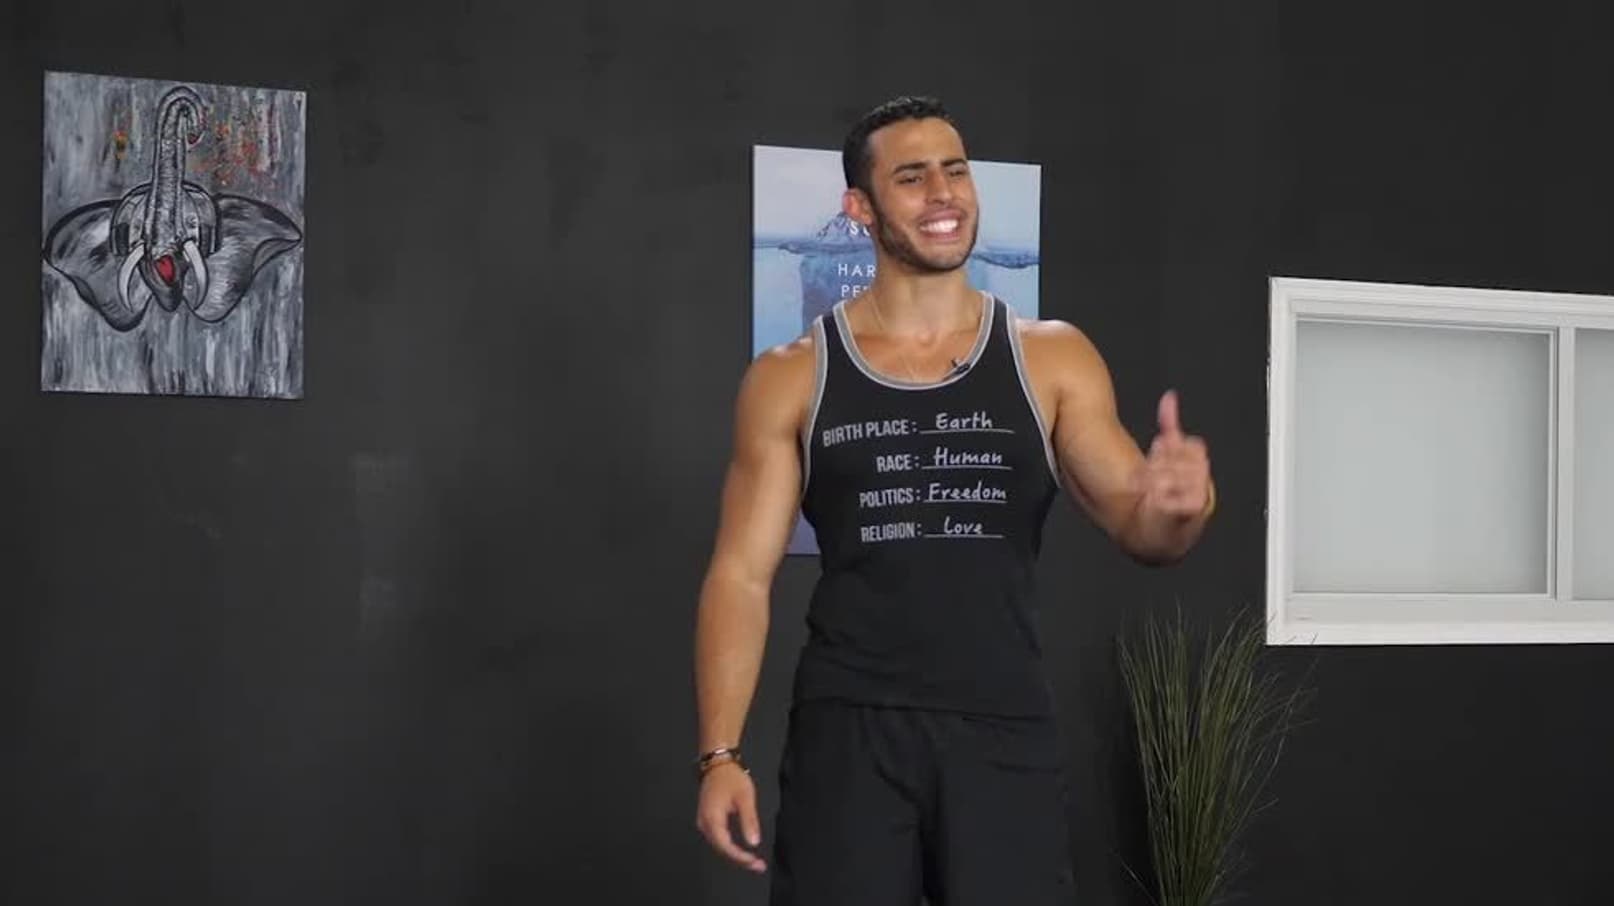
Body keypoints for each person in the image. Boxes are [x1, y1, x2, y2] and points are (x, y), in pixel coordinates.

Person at [692, 95, 1215, 905]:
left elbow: (1143, 529)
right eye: (912, 176)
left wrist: (1182, 509)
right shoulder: (792, 375)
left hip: (1002, 725)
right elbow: (741, 575)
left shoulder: (1053, 359)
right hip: (850, 728)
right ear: (860, 207)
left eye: (956, 170)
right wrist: (720, 754)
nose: (943, 193)